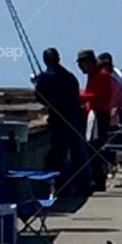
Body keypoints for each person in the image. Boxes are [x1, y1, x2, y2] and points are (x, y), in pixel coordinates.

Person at [35, 48, 87, 192]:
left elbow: (40, 98)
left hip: (58, 121)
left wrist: (37, 82)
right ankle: (79, 185)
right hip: (74, 119)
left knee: (58, 155)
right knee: (76, 154)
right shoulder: (70, 77)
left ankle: (60, 187)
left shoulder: (45, 78)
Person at [77, 49, 114, 191]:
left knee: (94, 148)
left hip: (99, 115)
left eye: (82, 65)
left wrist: (77, 95)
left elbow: (94, 96)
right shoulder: (95, 74)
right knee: (94, 148)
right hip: (95, 114)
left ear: (89, 63)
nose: (81, 69)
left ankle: (97, 180)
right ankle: (96, 179)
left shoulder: (101, 75)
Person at [98, 52, 122, 124]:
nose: (104, 66)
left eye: (106, 64)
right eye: (102, 64)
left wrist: (116, 107)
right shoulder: (98, 75)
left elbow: (118, 93)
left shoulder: (116, 75)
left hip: (119, 107)